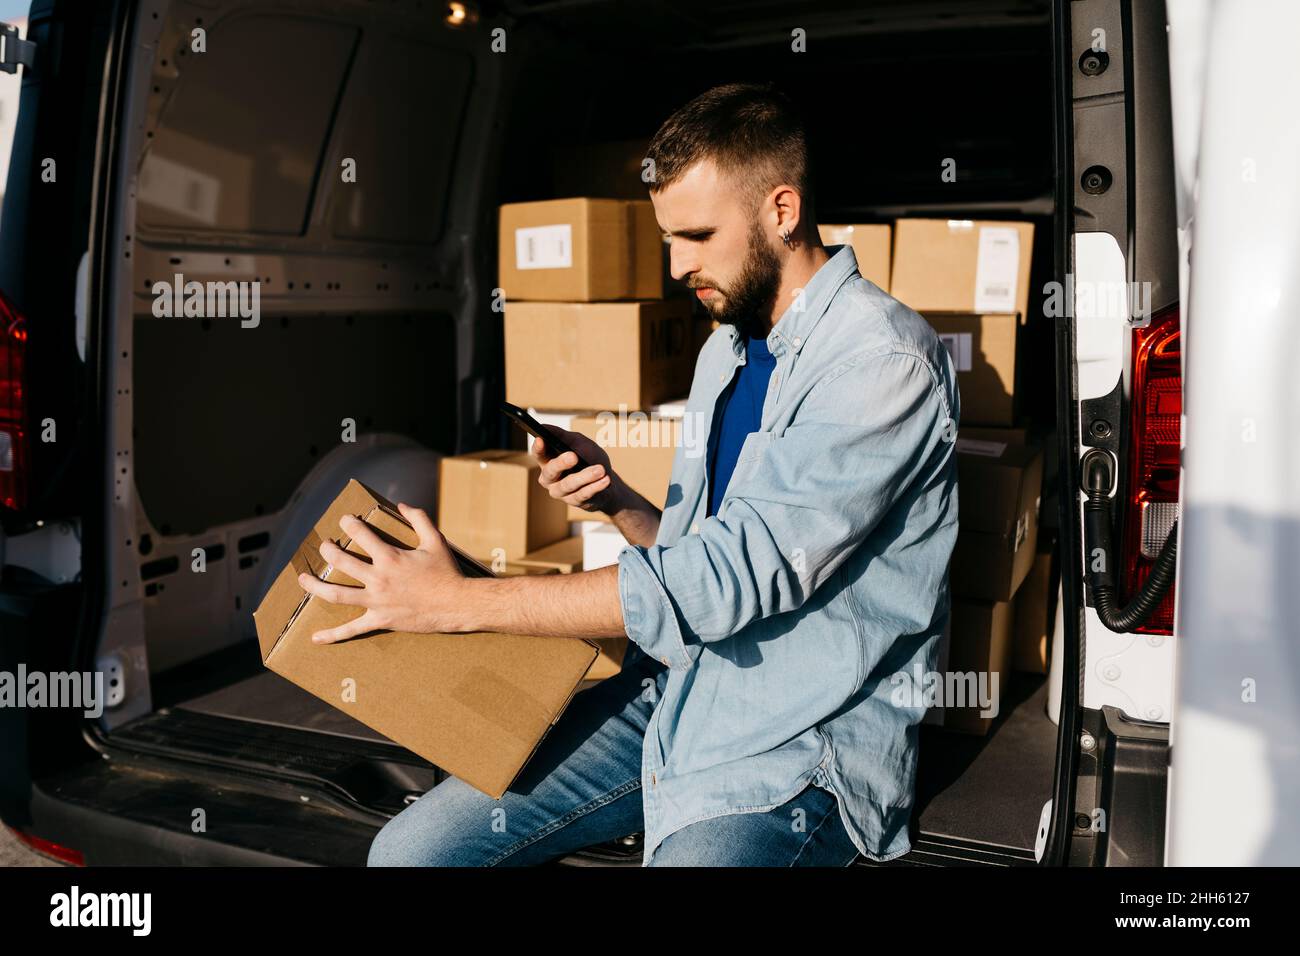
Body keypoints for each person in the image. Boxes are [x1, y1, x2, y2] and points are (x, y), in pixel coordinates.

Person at [299, 82, 961, 867]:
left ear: (782, 211)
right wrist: (616, 499)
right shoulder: (729, 349)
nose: (676, 265)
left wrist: (455, 604)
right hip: (678, 692)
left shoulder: (879, 362)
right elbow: (701, 551)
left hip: (801, 739)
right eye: (666, 238)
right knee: (408, 855)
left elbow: (725, 579)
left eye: (696, 236)